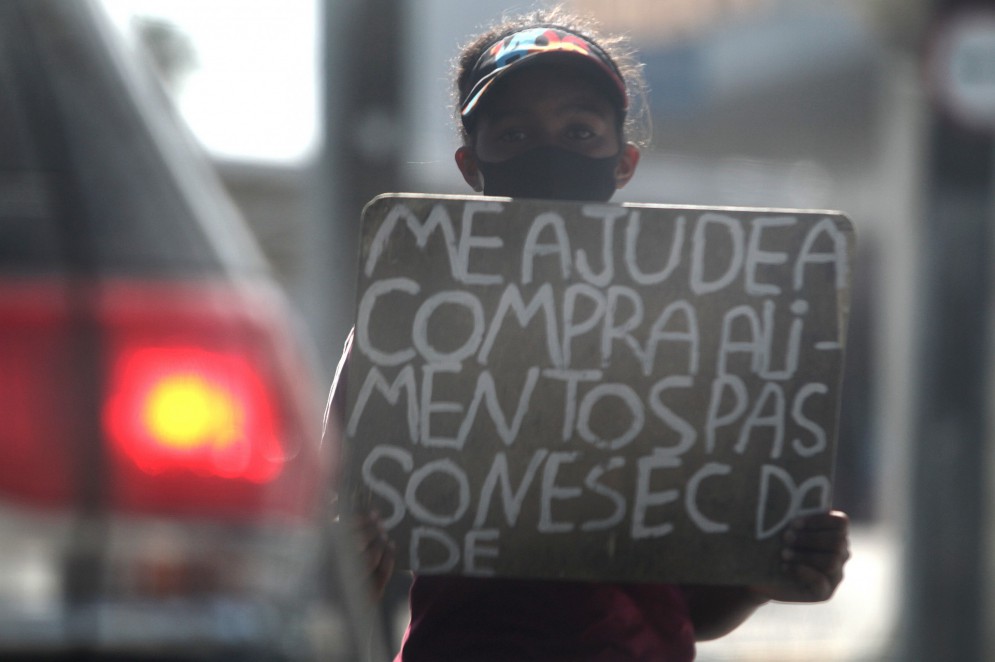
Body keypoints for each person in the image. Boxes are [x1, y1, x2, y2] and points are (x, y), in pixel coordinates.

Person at [327, 8, 850, 661]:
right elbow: (332, 543)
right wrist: (343, 556)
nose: (549, 151)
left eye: (579, 130)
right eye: (515, 133)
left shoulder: (684, 329)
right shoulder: (411, 321)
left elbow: (692, 608)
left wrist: (763, 573)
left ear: (622, 160)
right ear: (470, 164)